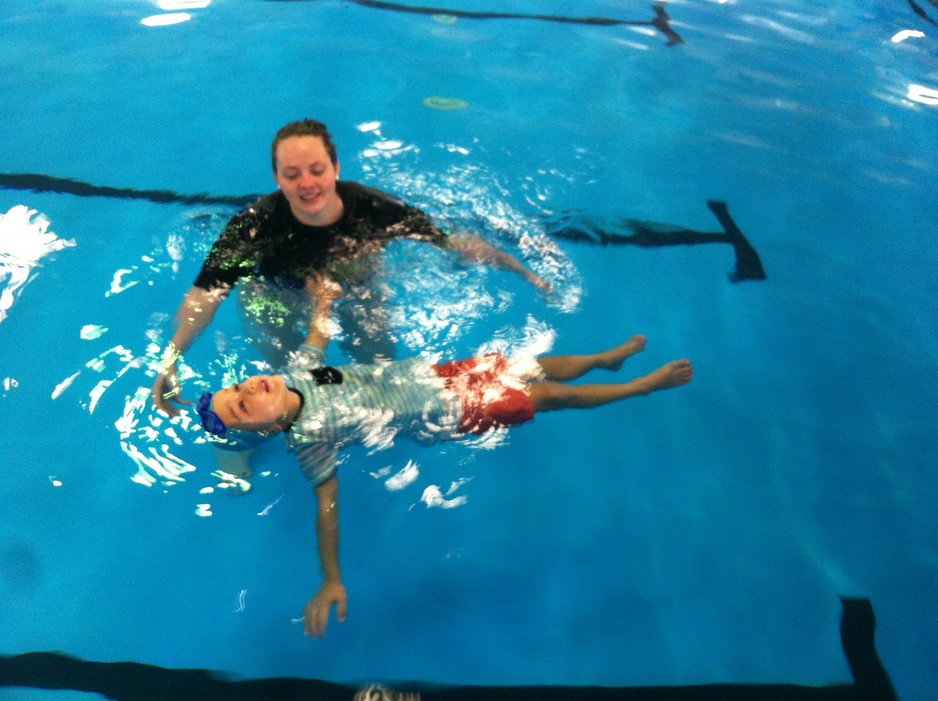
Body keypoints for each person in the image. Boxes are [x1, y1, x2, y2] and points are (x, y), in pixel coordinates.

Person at [195, 277, 693, 638]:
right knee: (549, 396)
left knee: (531, 366)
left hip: (436, 375)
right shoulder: (308, 438)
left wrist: (324, 297)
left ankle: (604, 359)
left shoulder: (298, 374)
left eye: (238, 386)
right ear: (266, 427)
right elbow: (327, 501)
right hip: (453, 413)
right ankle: (637, 387)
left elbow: (317, 336)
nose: (248, 387)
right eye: (243, 404)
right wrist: (331, 579)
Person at [152, 119, 550, 416]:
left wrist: (522, 271)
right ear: (277, 178)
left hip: (358, 287)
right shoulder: (253, 226)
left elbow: (453, 242)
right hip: (277, 296)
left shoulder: (374, 208)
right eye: (292, 175)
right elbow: (204, 296)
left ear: (336, 168)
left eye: (317, 170)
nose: (307, 184)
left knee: (379, 365)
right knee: (282, 385)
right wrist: (169, 362)